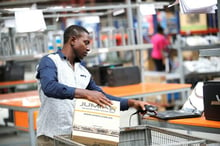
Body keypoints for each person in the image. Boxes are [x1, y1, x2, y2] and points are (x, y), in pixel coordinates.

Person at [36, 25, 151, 146]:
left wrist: (132, 103)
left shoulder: (83, 72)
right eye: (85, 43)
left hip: (75, 138)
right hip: (50, 138)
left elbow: (102, 97)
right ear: (73, 40)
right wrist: (86, 93)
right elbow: (49, 87)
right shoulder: (50, 61)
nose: (88, 48)